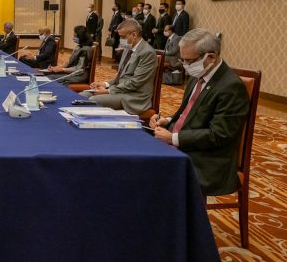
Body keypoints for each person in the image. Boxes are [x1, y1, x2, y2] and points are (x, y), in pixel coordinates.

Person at [151, 29, 249, 196]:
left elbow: (219, 135)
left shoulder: (231, 86)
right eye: (182, 60)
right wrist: (167, 120)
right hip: (187, 146)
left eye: (189, 61)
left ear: (210, 57)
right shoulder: (200, 75)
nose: (185, 66)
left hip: (207, 160)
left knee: (149, 173)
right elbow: (189, 111)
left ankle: (179, 221)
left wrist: (173, 138)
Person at [81, 18, 157, 115]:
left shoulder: (147, 52)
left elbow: (136, 82)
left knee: (92, 100)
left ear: (134, 35)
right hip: (121, 90)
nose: (121, 40)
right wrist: (105, 84)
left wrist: (109, 91)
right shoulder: (128, 48)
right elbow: (121, 76)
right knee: (83, 95)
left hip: (134, 97)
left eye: (123, 37)